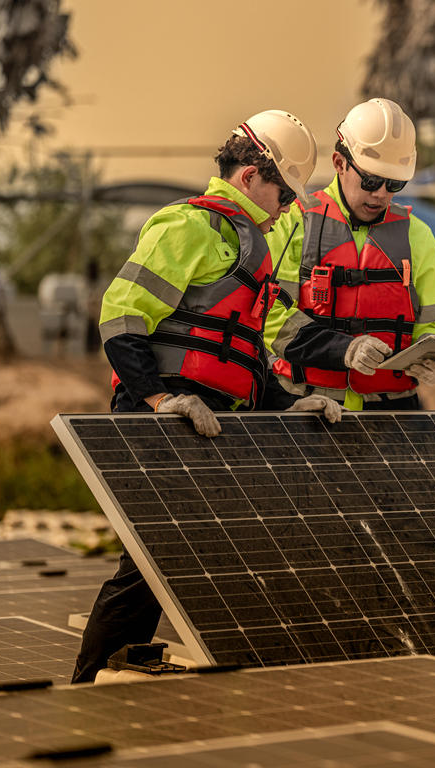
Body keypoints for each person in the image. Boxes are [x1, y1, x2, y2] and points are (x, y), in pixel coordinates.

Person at [73, 110, 342, 684]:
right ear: (249, 177)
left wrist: (289, 401)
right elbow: (120, 316)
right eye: (283, 193)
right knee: (146, 567)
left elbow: (241, 355)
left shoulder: (251, 246)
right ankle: (86, 692)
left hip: (207, 422)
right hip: (162, 419)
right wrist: (157, 402)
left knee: (181, 567)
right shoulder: (187, 228)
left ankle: (120, 687)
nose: (288, 209)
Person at [263, 98, 435, 412]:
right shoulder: (293, 222)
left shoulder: (417, 235)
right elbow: (269, 318)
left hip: (393, 413)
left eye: (394, 183)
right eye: (370, 180)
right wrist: (344, 349)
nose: (380, 193)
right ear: (339, 163)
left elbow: (434, 326)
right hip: (308, 405)